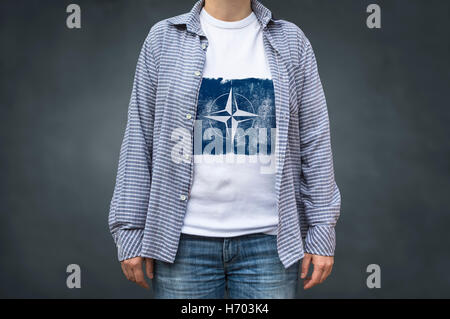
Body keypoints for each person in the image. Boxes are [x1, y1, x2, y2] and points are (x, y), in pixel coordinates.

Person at [108, 0, 341, 299]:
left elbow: (315, 138)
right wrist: (130, 231)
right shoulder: (163, 39)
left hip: (270, 244)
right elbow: (139, 138)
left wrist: (321, 230)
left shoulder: (291, 41)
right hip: (181, 243)